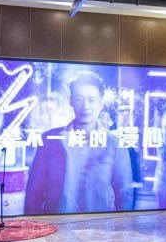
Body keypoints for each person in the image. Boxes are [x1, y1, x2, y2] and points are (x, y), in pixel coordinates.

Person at [24, 71, 134, 214]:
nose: (85, 106)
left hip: (100, 224)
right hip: (57, 224)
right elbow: (34, 193)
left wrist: (122, 226)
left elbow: (124, 194)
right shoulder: (50, 139)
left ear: (101, 103)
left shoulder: (114, 144)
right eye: (79, 99)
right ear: (71, 101)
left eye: (92, 100)